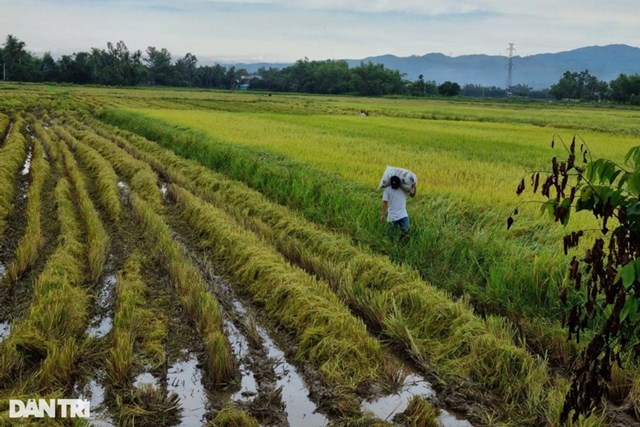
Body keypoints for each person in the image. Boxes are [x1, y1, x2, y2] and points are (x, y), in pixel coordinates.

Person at [380, 175, 416, 240]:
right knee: (391, 236)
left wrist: (414, 187)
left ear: (399, 184)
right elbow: (385, 202)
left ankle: (400, 243)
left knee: (406, 232)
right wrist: (383, 214)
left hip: (403, 215)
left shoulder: (403, 189)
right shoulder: (387, 190)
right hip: (392, 216)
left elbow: (412, 195)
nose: (394, 188)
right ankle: (392, 245)